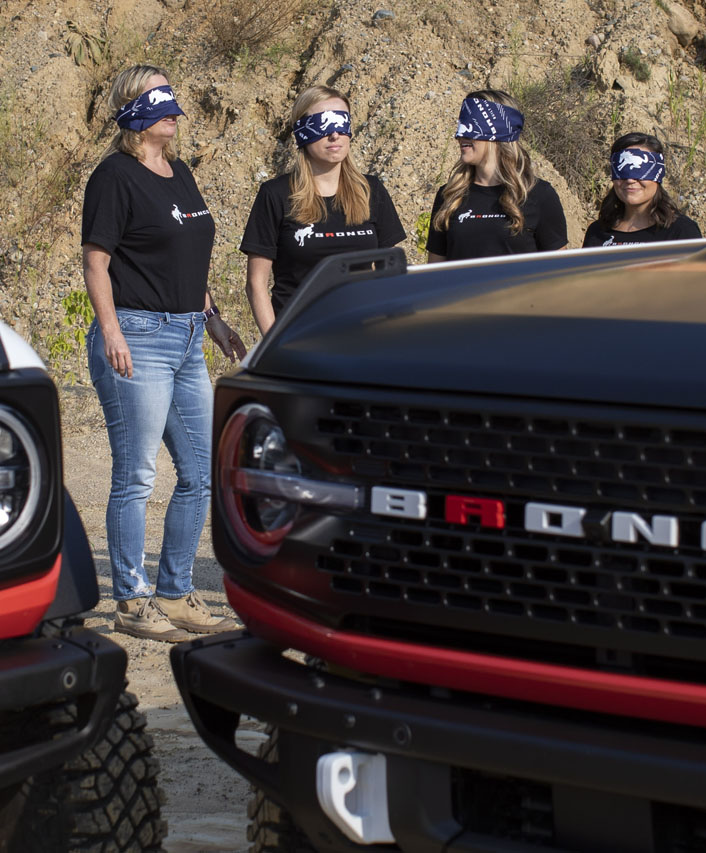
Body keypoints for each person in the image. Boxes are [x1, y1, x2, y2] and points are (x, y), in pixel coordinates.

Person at [82, 64, 246, 643]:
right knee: (136, 476)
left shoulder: (179, 172)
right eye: (161, 99)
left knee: (201, 472)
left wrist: (213, 317)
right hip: (137, 334)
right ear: (135, 111)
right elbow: (97, 261)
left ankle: (175, 593)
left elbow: (186, 259)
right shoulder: (114, 176)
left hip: (186, 336)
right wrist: (111, 332)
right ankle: (132, 599)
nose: (175, 109)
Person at [240, 86, 406, 334]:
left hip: (365, 335)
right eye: (323, 125)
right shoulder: (276, 194)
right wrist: (274, 345)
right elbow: (256, 284)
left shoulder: (371, 191)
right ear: (302, 132)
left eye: (341, 123)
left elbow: (391, 273)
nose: (334, 135)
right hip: (300, 337)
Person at [426, 89, 567, 261]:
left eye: (472, 125)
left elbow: (560, 269)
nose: (460, 135)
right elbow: (436, 270)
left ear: (498, 130)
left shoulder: (539, 194)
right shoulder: (449, 195)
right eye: (461, 124)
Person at [583, 133, 702, 248]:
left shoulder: (682, 231)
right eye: (623, 173)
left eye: (639, 172)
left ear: (658, 175)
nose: (630, 180)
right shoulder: (596, 232)